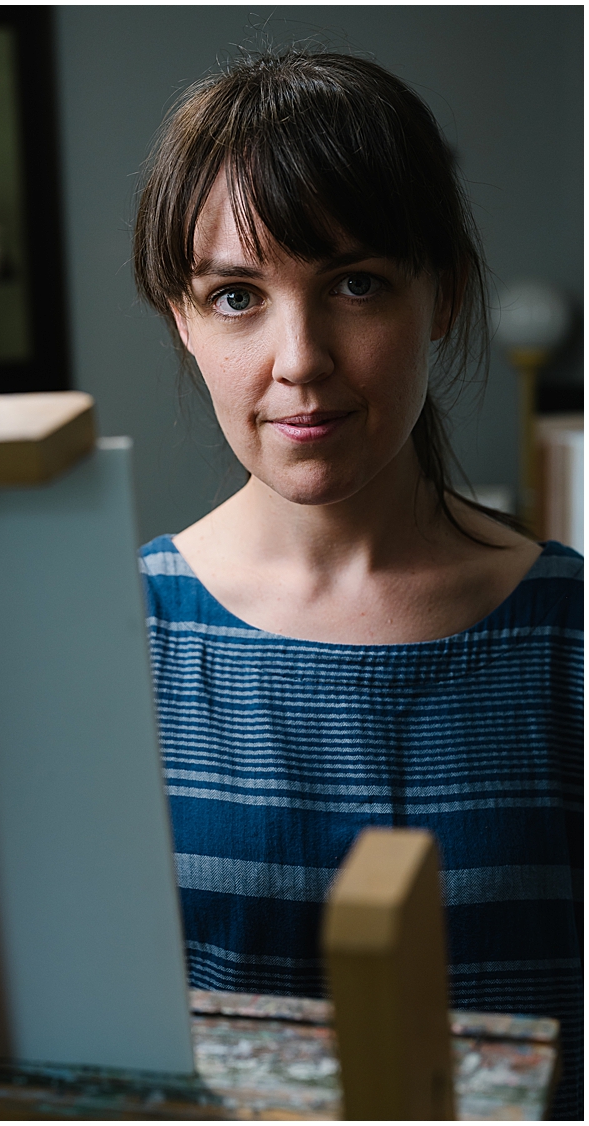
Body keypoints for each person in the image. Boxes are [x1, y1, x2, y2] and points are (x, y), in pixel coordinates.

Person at [132, 50, 581, 1118]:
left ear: (443, 295)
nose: (300, 358)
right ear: (182, 320)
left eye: (356, 283)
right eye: (238, 296)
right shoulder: (113, 639)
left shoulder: (572, 638)